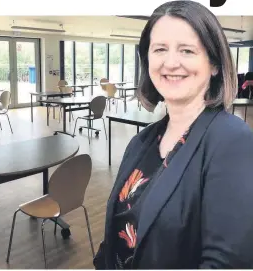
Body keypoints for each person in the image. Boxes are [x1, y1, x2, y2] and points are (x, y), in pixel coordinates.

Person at [93, 0, 253, 269]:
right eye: (160, 49)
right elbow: (117, 235)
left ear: (213, 64)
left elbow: (227, 262)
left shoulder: (232, 140)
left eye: (187, 50)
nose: (171, 62)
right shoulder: (140, 143)